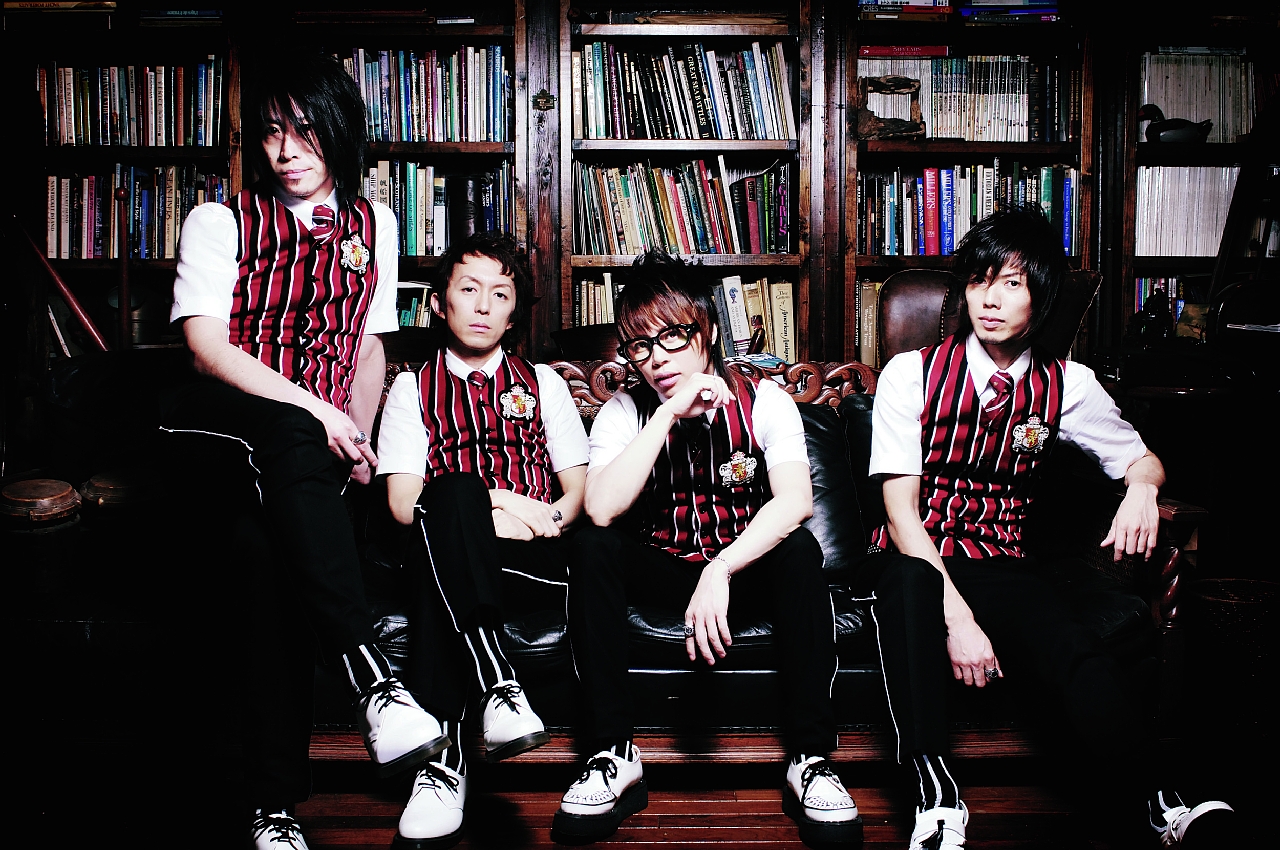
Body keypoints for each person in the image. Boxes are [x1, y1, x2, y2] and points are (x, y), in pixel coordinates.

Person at [864, 204, 1234, 849]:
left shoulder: (1070, 385)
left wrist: (1143, 490)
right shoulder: (910, 373)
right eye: (979, 281)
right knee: (909, 591)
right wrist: (959, 620)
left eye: (1012, 284)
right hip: (914, 551)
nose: (990, 300)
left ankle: (1163, 801)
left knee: (1067, 640)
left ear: (1041, 297)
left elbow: (1143, 458)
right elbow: (899, 513)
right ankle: (936, 800)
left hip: (998, 557)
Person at [160, 52, 448, 850]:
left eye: (304, 130)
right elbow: (206, 350)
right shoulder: (219, 221)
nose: (285, 150)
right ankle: (375, 683)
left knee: (269, 559)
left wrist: (357, 436)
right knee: (287, 431)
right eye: (271, 133)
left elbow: (368, 346)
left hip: (306, 455)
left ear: (339, 131)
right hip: (218, 425)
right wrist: (318, 412)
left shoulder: (376, 224)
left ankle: (275, 809)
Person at [555, 250, 861, 846]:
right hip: (663, 566)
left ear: (709, 330)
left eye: (673, 336)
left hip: (738, 569)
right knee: (593, 546)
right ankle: (612, 753)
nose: (658, 358)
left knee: (799, 549)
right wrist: (667, 412)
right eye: (641, 346)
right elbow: (601, 508)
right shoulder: (624, 410)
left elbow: (796, 500)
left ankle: (811, 759)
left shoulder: (766, 400)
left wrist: (720, 569)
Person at [376, 231, 590, 849]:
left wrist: (539, 519)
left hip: (531, 558)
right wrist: (500, 504)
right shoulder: (412, 387)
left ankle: (442, 765)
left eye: (500, 294)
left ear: (514, 311)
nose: (482, 306)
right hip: (462, 538)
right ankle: (496, 690)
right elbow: (401, 503)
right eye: (469, 289)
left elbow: (577, 495)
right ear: (439, 303)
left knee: (442, 542)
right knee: (451, 502)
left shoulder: (543, 383)